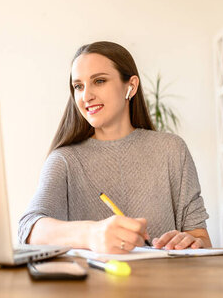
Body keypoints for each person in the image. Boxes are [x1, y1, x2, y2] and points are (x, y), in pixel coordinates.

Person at [18, 41, 210, 253]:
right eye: (78, 86)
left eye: (99, 81)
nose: (85, 96)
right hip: (91, 285)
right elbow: (29, 229)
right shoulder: (64, 160)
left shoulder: (172, 150)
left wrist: (190, 241)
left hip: (163, 284)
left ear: (131, 86)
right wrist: (91, 234)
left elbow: (201, 238)